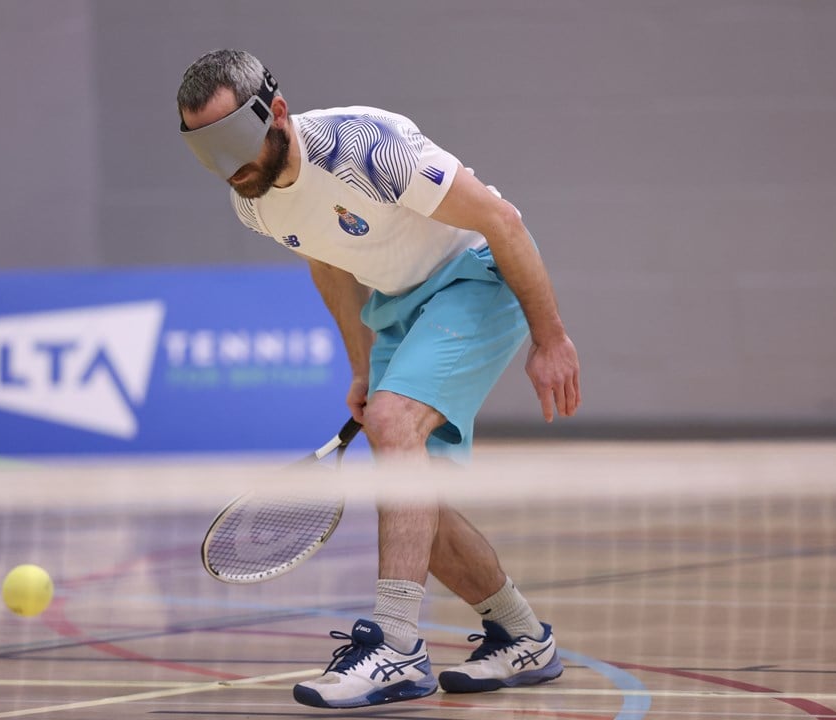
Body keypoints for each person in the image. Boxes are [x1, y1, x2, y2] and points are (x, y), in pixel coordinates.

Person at [177, 49, 581, 709]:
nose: (230, 166)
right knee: (410, 495)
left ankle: (395, 646)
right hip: (400, 307)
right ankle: (520, 635)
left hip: (477, 275)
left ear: (276, 113)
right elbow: (328, 263)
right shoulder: (252, 202)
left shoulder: (367, 147)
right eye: (207, 152)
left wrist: (551, 337)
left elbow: (502, 222)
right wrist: (363, 366)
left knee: (394, 427)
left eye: (236, 142)